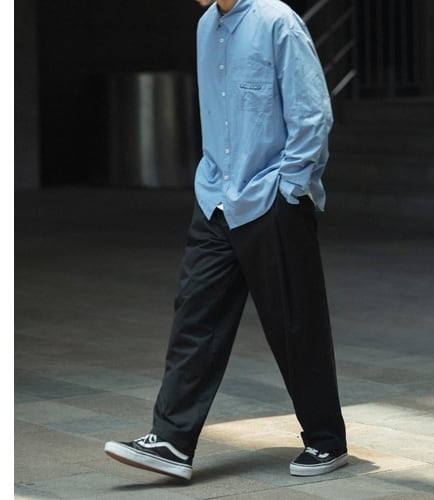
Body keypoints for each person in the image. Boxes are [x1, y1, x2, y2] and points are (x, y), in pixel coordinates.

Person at [104, 0, 347, 481]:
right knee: (195, 315)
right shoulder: (206, 26)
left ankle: (326, 440)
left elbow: (312, 113)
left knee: (294, 324)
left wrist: (290, 187)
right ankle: (172, 440)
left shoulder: (277, 21)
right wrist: (212, 181)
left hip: (271, 196)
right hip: (216, 196)